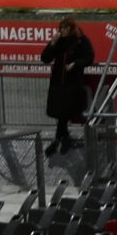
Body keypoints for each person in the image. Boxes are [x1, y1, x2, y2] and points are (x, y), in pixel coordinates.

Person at [41, 18, 97, 155]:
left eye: (66, 28)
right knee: (61, 113)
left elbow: (89, 58)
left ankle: (60, 139)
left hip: (73, 83)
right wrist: (52, 43)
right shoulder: (59, 40)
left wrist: (75, 64)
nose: (63, 31)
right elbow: (45, 58)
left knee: (65, 112)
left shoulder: (80, 41)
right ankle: (62, 138)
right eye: (62, 28)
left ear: (71, 29)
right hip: (58, 82)